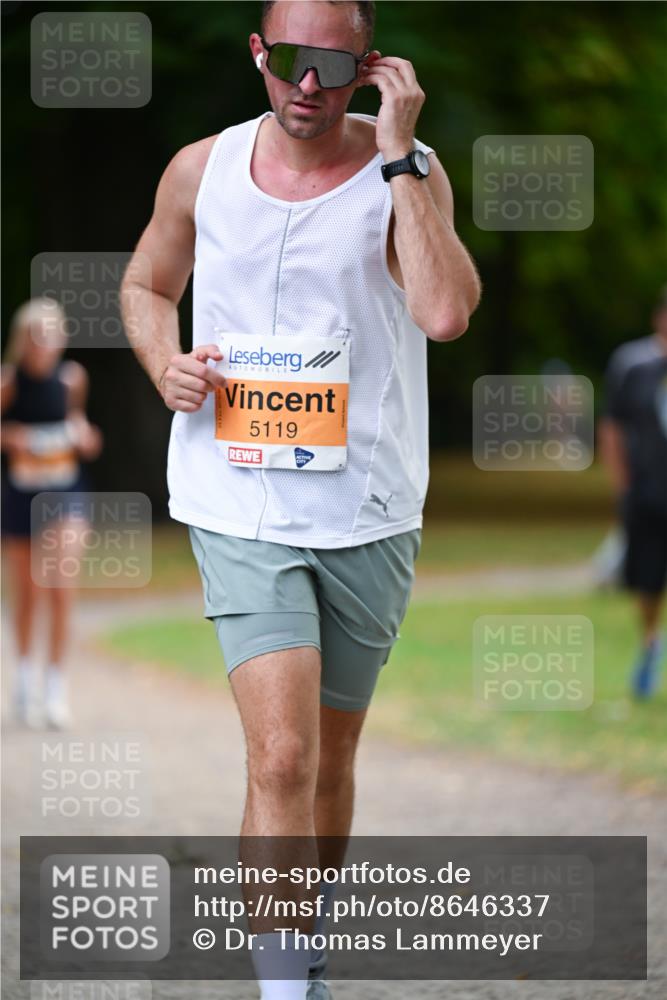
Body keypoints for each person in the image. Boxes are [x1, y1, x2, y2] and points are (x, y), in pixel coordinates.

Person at [121, 2, 480, 996]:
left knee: (326, 760)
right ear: (258, 55)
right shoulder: (200, 168)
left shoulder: (403, 169)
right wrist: (164, 364)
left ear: (366, 65)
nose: (308, 85)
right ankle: (285, 984)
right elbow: (147, 285)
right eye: (288, 61)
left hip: (367, 510)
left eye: (331, 63)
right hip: (238, 502)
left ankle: (303, 944)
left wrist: (402, 158)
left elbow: (445, 312)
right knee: (280, 757)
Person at [1, 298, 102, 728]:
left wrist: (83, 436)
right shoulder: (7, 383)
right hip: (20, 495)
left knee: (61, 586)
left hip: (66, 494)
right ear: (22, 340)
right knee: (27, 593)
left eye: (51, 333)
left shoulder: (72, 379)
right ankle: (24, 679)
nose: (43, 343)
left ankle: (56, 689)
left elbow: (86, 433)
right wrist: (14, 439)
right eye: (35, 335)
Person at [600, 286, 667, 698]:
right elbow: (612, 428)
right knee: (647, 581)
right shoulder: (633, 364)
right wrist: (622, 485)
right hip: (648, 495)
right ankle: (649, 645)